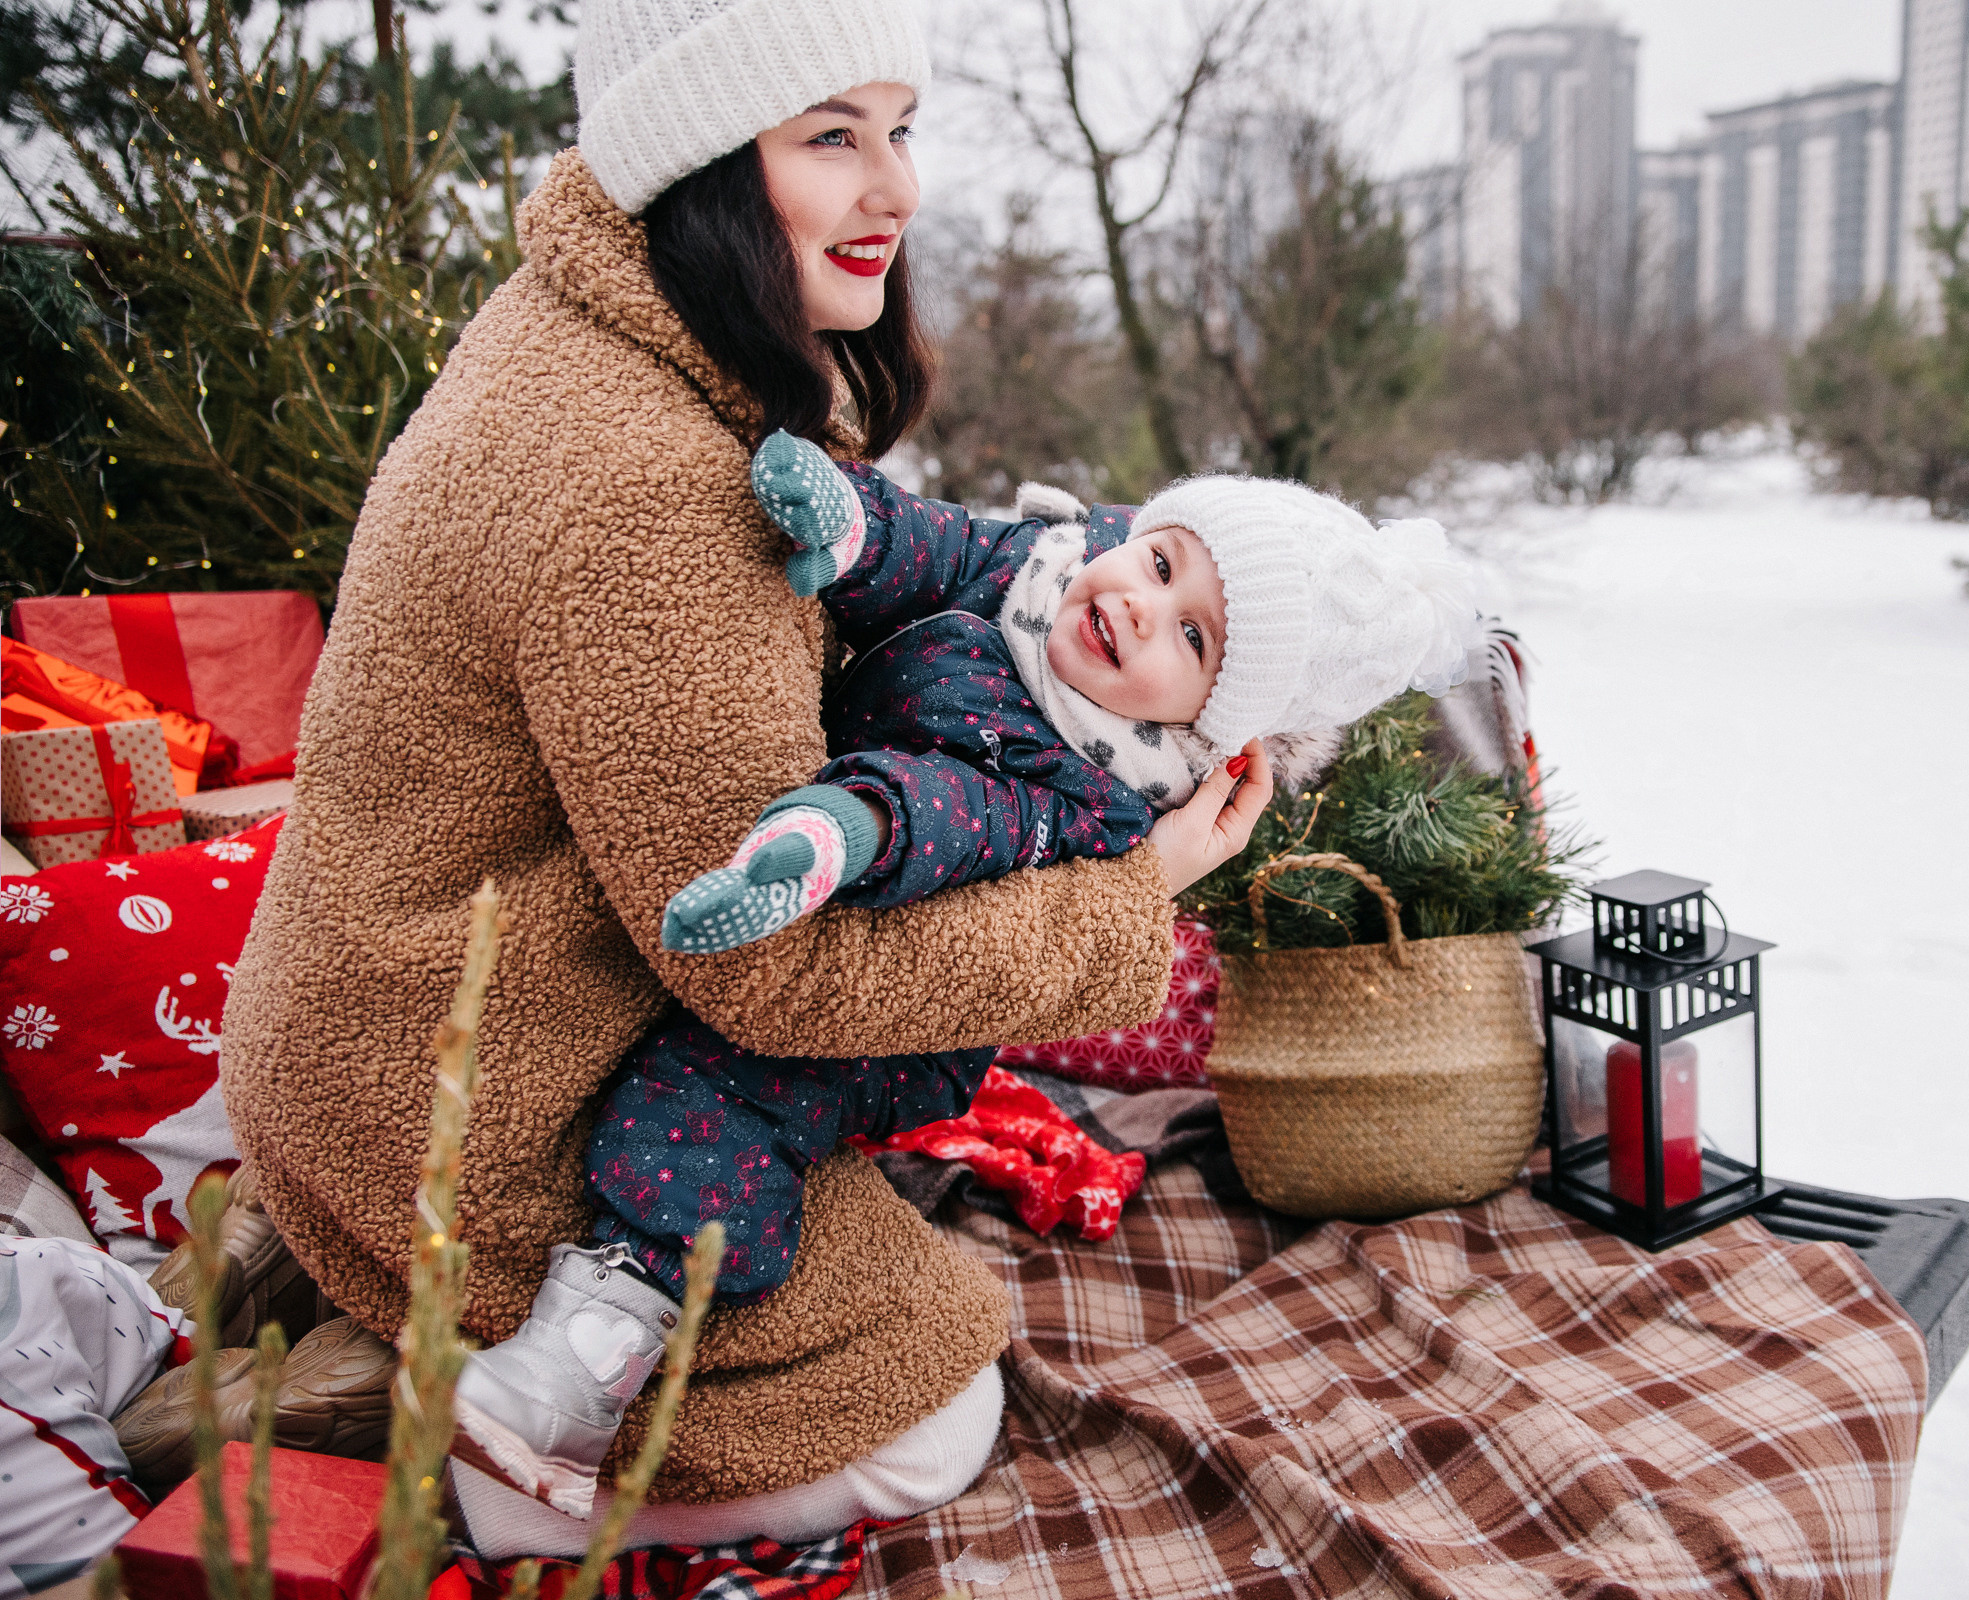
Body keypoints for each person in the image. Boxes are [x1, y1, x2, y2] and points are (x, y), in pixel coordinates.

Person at [221, 0, 1262, 1560]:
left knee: (867, 1225)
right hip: (473, 1115)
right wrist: (1136, 897)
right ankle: (489, 1480)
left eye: (899, 128)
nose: (896, 192)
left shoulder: (578, 328)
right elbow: (774, 980)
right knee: (943, 1407)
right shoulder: (656, 487)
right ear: (700, 161)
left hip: (361, 1027)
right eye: (830, 136)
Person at [448, 441, 1478, 1515]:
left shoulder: (1097, 789)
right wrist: (849, 528)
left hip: (895, 1023)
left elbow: (954, 811)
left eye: (1192, 636)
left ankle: (581, 1371)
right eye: (1163, 565)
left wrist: (839, 838)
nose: (1138, 605)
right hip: (844, 851)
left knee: (714, 1103)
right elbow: (930, 546)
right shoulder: (1041, 565)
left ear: (1207, 725)